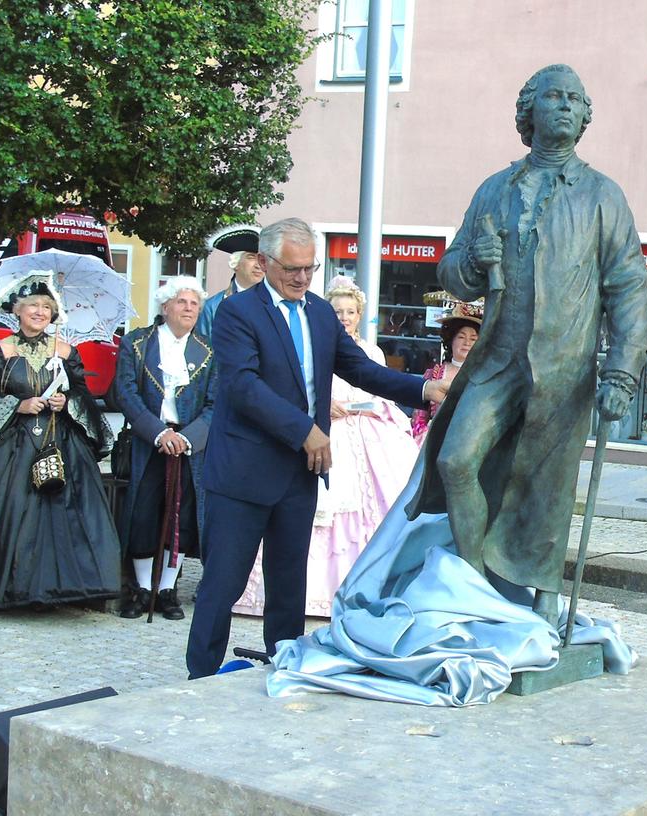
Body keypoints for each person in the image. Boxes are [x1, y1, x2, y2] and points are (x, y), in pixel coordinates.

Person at [406, 63, 647, 623]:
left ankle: (544, 601)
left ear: (584, 116)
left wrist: (620, 372)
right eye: (553, 97)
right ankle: (471, 587)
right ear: (530, 110)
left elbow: (631, 289)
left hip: (563, 369)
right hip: (496, 360)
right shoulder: (496, 189)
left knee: (548, 487)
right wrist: (472, 262)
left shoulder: (601, 195)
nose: (565, 106)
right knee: (456, 460)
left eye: (575, 99)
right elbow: (451, 269)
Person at [185, 218, 449, 679]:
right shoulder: (237, 313)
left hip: (297, 473)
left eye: (311, 268)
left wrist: (424, 390)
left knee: (289, 583)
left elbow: (362, 371)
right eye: (292, 268)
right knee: (222, 584)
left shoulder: (320, 314)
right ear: (264, 263)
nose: (303, 278)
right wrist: (306, 430)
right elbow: (244, 387)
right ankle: (199, 676)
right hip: (243, 473)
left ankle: (285, 665)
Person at [233, 275, 420, 617]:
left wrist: (411, 393)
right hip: (320, 432)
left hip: (360, 433)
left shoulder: (370, 350)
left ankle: (354, 587)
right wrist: (327, 406)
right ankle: (303, 594)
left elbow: (372, 384)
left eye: (351, 311)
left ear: (359, 315)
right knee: (317, 513)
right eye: (339, 311)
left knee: (367, 510)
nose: (345, 317)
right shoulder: (311, 340)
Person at [0, 276, 120, 609]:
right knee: (6, 511)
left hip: (57, 444)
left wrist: (68, 403)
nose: (40, 312)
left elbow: (83, 396)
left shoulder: (65, 351)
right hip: (7, 449)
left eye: (47, 307)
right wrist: (17, 405)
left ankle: (54, 590)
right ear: (17, 310)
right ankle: (0, 588)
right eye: (33, 305)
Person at [113, 278, 217, 620]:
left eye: (194, 304)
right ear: (165, 306)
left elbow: (216, 403)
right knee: (143, 513)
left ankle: (167, 590)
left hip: (189, 446)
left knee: (181, 516)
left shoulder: (210, 350)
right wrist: (158, 434)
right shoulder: (136, 343)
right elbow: (125, 394)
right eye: (182, 302)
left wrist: (188, 438)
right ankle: (143, 588)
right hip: (148, 442)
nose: (189, 308)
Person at [410, 300, 481, 443]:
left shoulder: (484, 376)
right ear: (451, 340)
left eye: (473, 339)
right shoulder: (434, 374)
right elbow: (419, 417)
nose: (467, 343)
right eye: (461, 337)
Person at [200, 248, 264, 341]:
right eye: (251, 258)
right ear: (235, 264)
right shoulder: (212, 307)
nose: (258, 265)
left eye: (262, 259)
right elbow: (202, 349)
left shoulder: (276, 303)